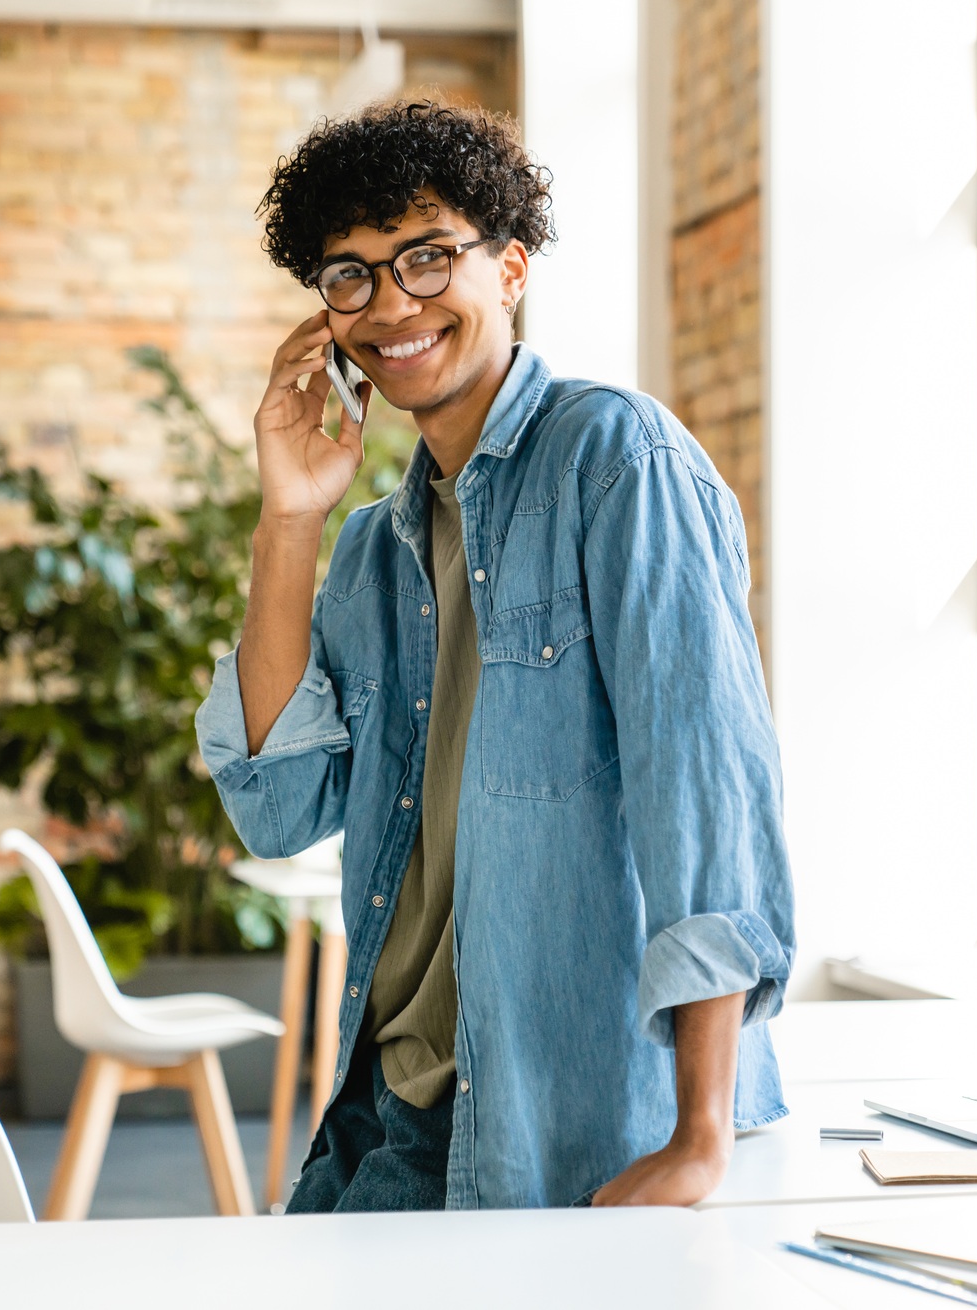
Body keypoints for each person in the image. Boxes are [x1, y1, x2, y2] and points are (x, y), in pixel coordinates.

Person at [195, 100, 794, 1211]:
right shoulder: (374, 547)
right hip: (388, 1119)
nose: (391, 304)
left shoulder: (617, 460)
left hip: (564, 1131)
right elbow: (277, 804)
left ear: (510, 267)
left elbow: (700, 789)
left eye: (427, 258)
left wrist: (700, 1135)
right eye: (352, 276)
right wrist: (289, 517)